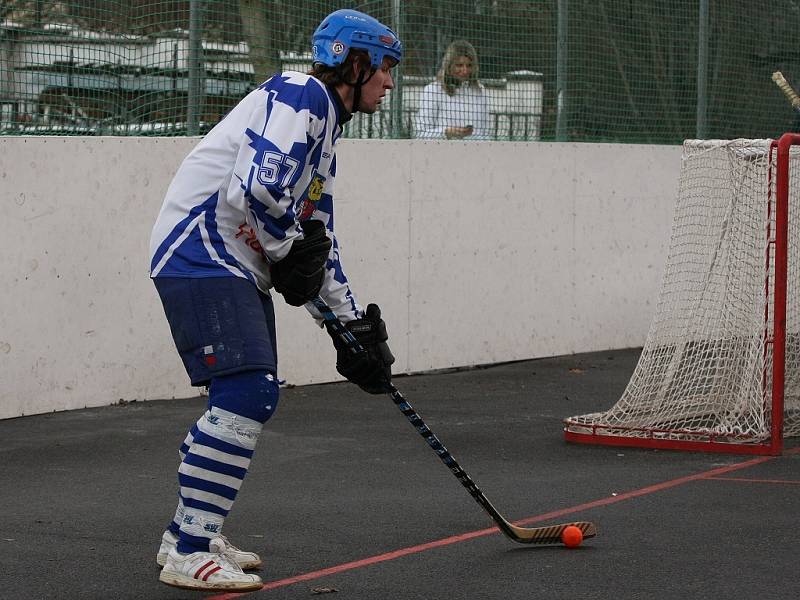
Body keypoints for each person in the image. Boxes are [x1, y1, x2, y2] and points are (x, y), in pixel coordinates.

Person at [148, 9, 399, 592]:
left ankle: (188, 531)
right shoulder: (300, 93)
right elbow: (258, 188)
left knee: (246, 392)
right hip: (200, 251)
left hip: (230, 260)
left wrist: (349, 324)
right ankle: (187, 548)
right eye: (385, 67)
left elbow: (316, 240)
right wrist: (288, 250)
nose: (389, 82)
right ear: (353, 62)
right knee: (248, 391)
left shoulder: (325, 132)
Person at [415, 40, 490, 140]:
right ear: (449, 65)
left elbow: (485, 133)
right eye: (459, 65)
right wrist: (446, 132)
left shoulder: (479, 91)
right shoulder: (433, 90)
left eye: (469, 66)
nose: (465, 71)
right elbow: (421, 133)